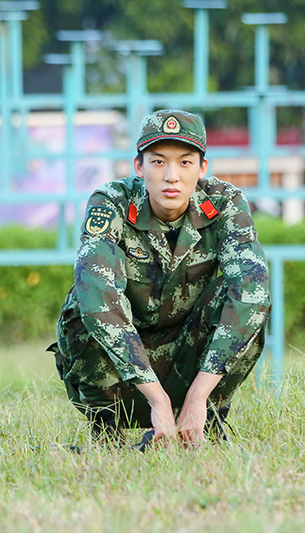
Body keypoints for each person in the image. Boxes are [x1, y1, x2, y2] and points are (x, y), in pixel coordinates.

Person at [49, 109, 270, 447]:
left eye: (184, 162)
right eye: (158, 162)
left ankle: (206, 420)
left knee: (245, 298)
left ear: (202, 168)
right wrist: (157, 399)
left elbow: (251, 289)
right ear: (139, 167)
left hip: (189, 361)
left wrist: (197, 396)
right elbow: (96, 291)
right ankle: (107, 430)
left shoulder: (225, 203)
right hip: (119, 370)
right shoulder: (112, 202)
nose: (171, 176)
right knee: (84, 298)